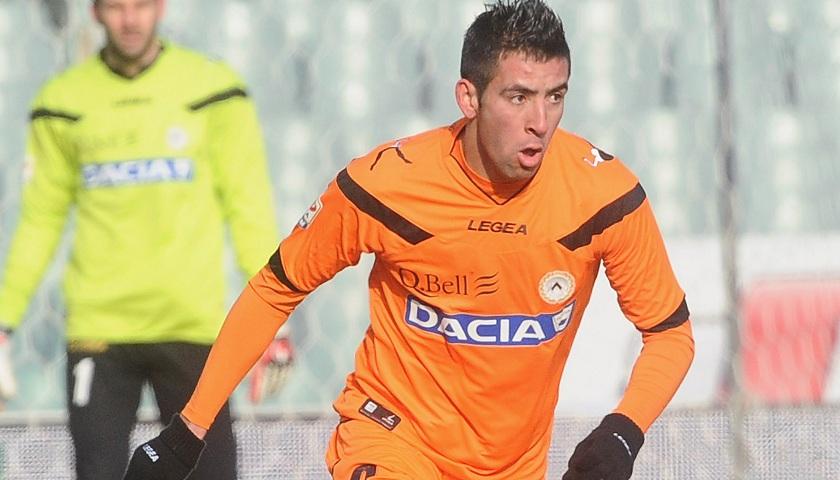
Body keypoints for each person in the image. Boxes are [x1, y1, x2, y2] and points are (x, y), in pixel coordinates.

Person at [124, 0, 695, 479]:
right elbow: (277, 288)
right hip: (391, 437)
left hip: (511, 465)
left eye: (555, 96)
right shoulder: (387, 185)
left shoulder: (604, 197)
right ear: (469, 98)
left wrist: (623, 431)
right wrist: (189, 429)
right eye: (518, 97)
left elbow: (670, 333)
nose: (540, 122)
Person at [0, 0, 294, 479]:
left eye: (140, 5)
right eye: (116, 7)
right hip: (100, 329)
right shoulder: (63, 101)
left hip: (193, 326)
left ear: (160, 7)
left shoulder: (212, 90)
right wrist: (3, 323)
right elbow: (40, 220)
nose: (130, 19)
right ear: (96, 13)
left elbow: (249, 210)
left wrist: (274, 325)